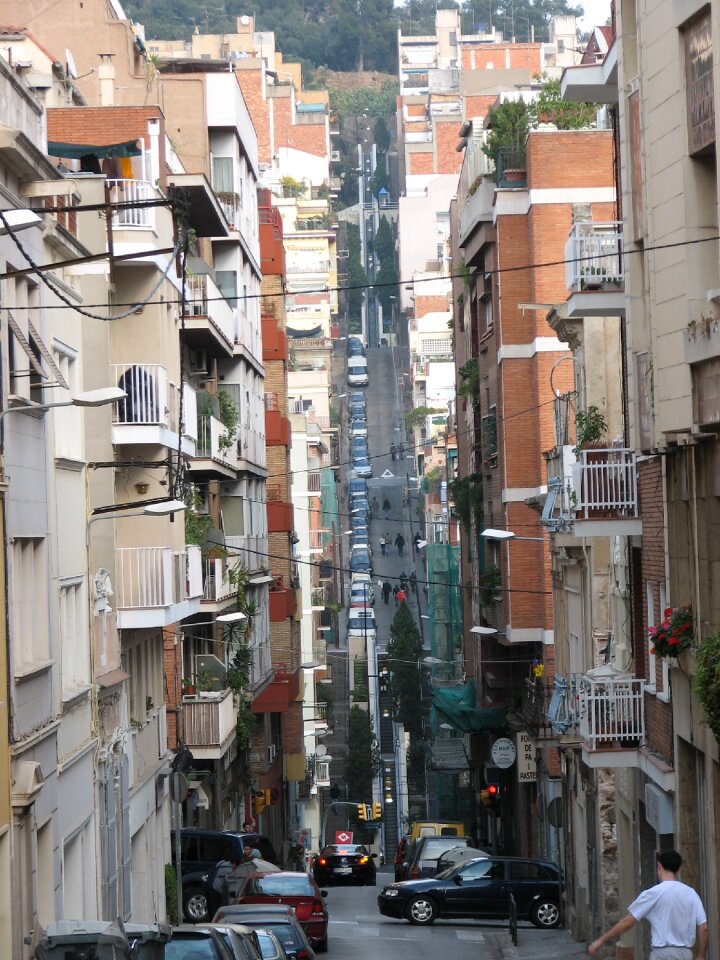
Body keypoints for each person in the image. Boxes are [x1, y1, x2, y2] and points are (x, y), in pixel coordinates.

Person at [588, 849, 708, 960]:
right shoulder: (691, 894)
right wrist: (701, 954)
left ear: (659, 866)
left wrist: (601, 940)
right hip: (685, 954)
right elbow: (704, 927)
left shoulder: (652, 893)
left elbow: (628, 922)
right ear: (678, 870)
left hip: (661, 954)